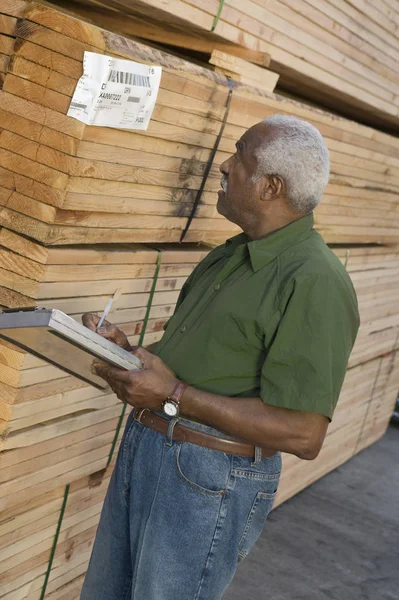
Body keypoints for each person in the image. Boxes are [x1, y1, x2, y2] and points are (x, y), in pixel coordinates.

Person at [80, 114, 360, 600]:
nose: (224, 167)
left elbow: (304, 433)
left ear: (270, 186)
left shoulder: (314, 281)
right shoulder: (231, 255)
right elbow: (188, 370)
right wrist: (124, 356)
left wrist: (172, 394)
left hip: (208, 479)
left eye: (239, 156)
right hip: (149, 448)